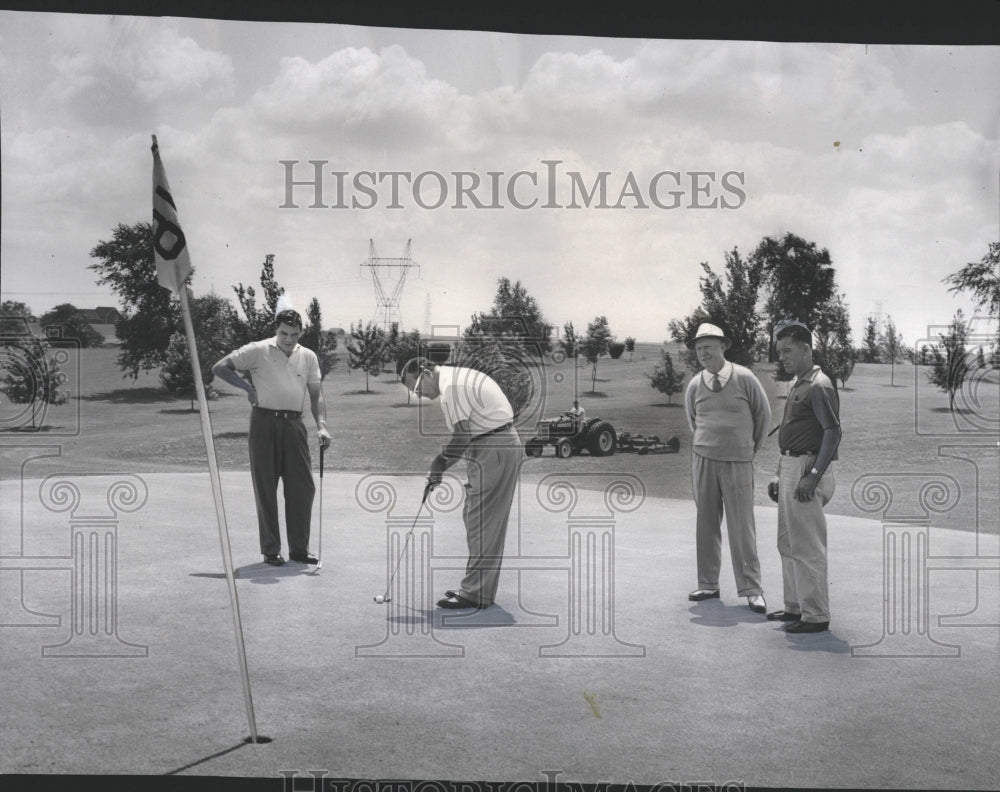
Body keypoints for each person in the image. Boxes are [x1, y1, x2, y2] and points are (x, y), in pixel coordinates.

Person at [212, 298, 331, 566]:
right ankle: (271, 550)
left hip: (294, 424)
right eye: (283, 333)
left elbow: (316, 396)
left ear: (300, 333)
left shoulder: (309, 356)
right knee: (266, 486)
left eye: (294, 334)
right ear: (276, 330)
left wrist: (322, 426)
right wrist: (249, 389)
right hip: (264, 422)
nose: (288, 339)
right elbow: (220, 367)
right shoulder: (257, 350)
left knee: (303, 488)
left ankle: (299, 549)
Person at [400, 357, 520, 609]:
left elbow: (462, 435)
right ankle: (477, 589)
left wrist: (438, 465)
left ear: (426, 372)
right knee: (477, 518)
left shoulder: (451, 386)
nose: (420, 394)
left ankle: (476, 593)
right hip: (492, 446)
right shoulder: (453, 379)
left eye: (418, 387)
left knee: (482, 521)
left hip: (494, 446)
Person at [684, 322, 771, 614]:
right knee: (706, 523)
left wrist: (747, 450)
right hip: (704, 460)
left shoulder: (745, 377)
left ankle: (752, 589)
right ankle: (708, 583)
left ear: (723, 346)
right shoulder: (695, 384)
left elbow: (763, 417)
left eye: (708, 346)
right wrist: (707, 446)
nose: (703, 353)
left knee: (741, 526)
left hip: (738, 461)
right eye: (698, 348)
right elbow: (693, 421)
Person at [766, 319, 842, 633]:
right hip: (791, 467)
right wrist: (780, 474)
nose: (781, 357)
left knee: (807, 545)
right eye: (779, 351)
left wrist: (811, 476)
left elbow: (833, 432)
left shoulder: (819, 384)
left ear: (807, 349)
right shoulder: (800, 382)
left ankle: (816, 615)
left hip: (807, 469)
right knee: (787, 542)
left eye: (787, 350)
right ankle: (795, 606)